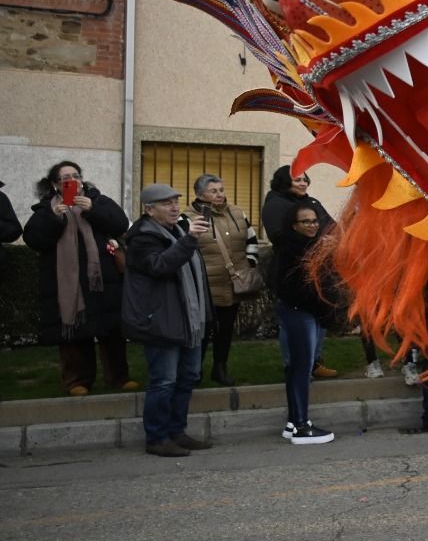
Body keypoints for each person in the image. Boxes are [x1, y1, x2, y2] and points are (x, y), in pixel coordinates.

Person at [22, 161, 134, 396]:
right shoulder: (45, 210)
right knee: (73, 332)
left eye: (75, 175)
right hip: (68, 285)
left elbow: (120, 224)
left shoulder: (99, 201)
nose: (72, 180)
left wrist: (92, 209)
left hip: (103, 280)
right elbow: (34, 240)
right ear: (55, 185)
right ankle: (77, 381)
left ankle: (119, 377)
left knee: (111, 332)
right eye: (65, 178)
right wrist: (54, 218)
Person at [122, 184, 213, 457]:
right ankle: (157, 437)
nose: (174, 207)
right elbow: (160, 266)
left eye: (176, 202)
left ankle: (177, 431)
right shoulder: (141, 237)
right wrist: (189, 240)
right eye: (166, 203)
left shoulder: (177, 231)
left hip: (189, 320)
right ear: (149, 210)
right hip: (161, 320)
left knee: (188, 377)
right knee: (164, 381)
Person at [269, 205, 338, 445]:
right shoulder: (290, 250)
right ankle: (300, 425)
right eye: (305, 222)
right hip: (299, 313)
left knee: (298, 368)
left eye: (314, 221)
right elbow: (294, 288)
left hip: (307, 313)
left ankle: (293, 422)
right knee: (301, 368)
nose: (312, 225)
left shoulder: (311, 246)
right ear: (294, 225)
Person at [261, 166, 338, 379]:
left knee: (319, 317)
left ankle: (314, 362)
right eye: (297, 179)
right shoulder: (275, 204)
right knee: (294, 323)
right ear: (284, 181)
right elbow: (280, 237)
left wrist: (334, 240)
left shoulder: (311, 203)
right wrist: (320, 241)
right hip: (293, 273)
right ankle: (293, 366)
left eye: (305, 179)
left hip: (320, 270)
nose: (303, 183)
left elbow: (333, 227)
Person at [189, 174, 260, 386]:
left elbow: (252, 240)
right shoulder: (189, 217)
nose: (219, 194)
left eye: (221, 190)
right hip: (205, 287)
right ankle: (195, 372)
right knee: (201, 333)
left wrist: (250, 262)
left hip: (232, 284)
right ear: (200, 194)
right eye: (213, 191)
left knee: (226, 331)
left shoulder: (238, 213)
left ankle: (220, 368)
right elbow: (186, 249)